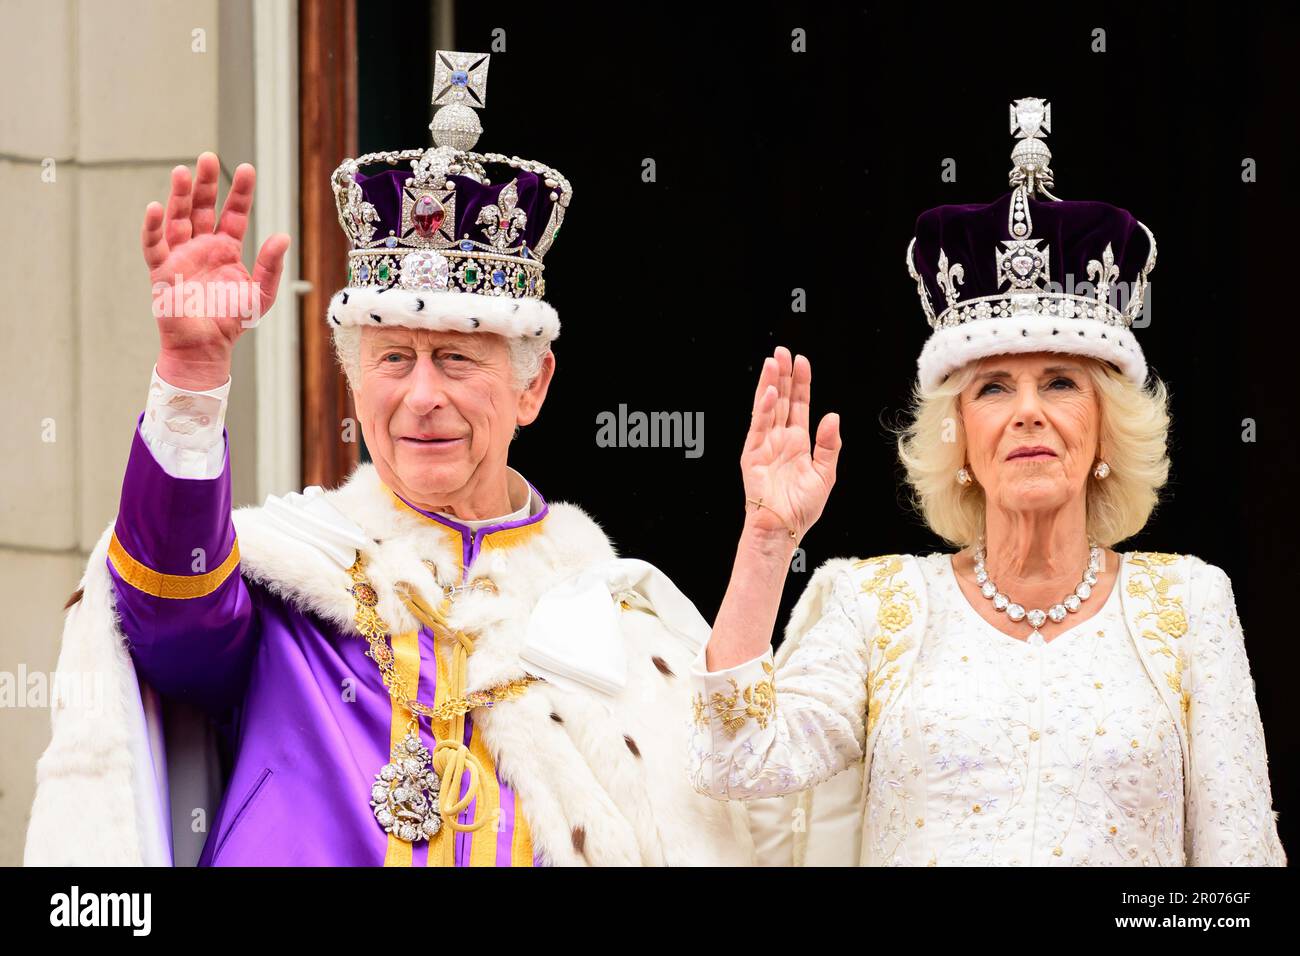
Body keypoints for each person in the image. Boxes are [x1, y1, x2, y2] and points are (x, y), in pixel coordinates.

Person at [26, 50, 750, 867]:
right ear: (355, 381)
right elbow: (168, 619)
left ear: (532, 386)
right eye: (394, 359)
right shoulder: (293, 576)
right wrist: (192, 380)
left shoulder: (615, 622)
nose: (421, 396)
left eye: (457, 359)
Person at [686, 98, 1287, 866]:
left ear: (1106, 424)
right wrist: (768, 540)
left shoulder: (1192, 607)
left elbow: (1238, 875)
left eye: (1062, 382)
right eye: (994, 388)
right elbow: (734, 765)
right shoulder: (873, 606)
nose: (1028, 413)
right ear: (959, 432)